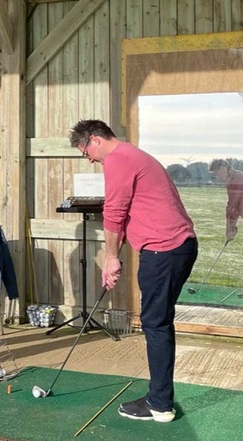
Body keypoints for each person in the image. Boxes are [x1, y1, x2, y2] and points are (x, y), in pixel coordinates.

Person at [69, 119, 197, 423]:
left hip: (164, 250)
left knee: (155, 323)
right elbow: (131, 212)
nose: (87, 157)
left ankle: (160, 404)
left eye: (84, 150)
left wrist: (111, 257)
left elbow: (114, 212)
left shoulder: (118, 159)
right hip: (176, 247)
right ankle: (160, 397)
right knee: (159, 321)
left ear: (96, 139)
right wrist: (117, 254)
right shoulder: (133, 155)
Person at [209, 159, 243, 299]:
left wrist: (230, 229)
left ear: (224, 168)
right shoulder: (237, 177)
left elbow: (232, 207)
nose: (216, 177)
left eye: (216, 172)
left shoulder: (237, 180)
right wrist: (232, 227)